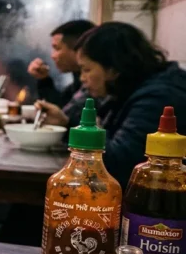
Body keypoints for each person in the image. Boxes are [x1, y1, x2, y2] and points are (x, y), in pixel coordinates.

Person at [37, 22, 186, 187]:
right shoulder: (131, 90)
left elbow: (118, 164)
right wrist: (65, 123)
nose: (82, 79)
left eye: (86, 70)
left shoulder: (159, 97)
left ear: (113, 69)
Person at [28, 19, 95, 108]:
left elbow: (65, 115)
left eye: (57, 48)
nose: (52, 55)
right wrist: (43, 79)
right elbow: (60, 108)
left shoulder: (94, 86)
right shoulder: (76, 82)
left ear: (77, 49)